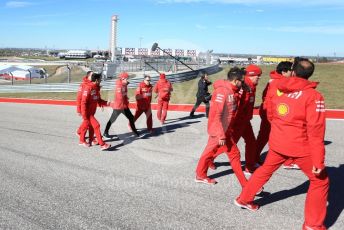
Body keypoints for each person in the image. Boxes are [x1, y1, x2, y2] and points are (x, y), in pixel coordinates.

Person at [234, 57, 329, 230]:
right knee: (320, 181)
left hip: (278, 143)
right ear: (310, 74)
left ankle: (244, 198)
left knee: (264, 170)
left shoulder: (279, 88)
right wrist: (318, 160)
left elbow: (270, 113)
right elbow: (316, 131)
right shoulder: (313, 96)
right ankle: (313, 224)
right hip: (301, 147)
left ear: (293, 72)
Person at [195, 67, 247, 187]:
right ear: (235, 80)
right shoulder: (222, 92)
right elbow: (216, 115)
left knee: (232, 155)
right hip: (219, 131)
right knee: (210, 153)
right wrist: (220, 135)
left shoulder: (232, 91)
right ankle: (200, 175)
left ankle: (246, 184)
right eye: (242, 81)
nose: (243, 83)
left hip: (226, 130)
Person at [255, 61, 299, 169]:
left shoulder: (275, 80)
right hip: (271, 114)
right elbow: (275, 100)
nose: (293, 73)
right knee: (269, 137)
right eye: (291, 71)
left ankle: (253, 158)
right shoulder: (278, 82)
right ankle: (253, 159)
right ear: (284, 72)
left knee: (264, 137)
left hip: (270, 113)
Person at [233, 64, 262, 175]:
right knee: (229, 145)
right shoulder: (244, 86)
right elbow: (238, 105)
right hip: (239, 121)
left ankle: (249, 166)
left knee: (251, 142)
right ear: (250, 75)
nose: (259, 78)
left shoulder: (251, 86)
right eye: (257, 76)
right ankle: (209, 159)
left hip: (245, 121)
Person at [79, 73, 111, 150]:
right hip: (87, 113)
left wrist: (106, 103)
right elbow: (83, 102)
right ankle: (102, 144)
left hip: (92, 112)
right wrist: (84, 114)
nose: (101, 81)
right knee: (96, 125)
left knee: (89, 127)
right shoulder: (88, 88)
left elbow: (98, 100)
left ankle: (86, 140)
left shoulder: (96, 88)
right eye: (100, 79)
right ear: (96, 80)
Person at [103, 72, 140, 138]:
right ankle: (105, 132)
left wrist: (126, 98)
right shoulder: (119, 86)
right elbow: (120, 97)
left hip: (124, 106)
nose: (127, 80)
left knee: (131, 118)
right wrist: (127, 99)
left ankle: (134, 131)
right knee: (112, 120)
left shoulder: (124, 85)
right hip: (118, 107)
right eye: (126, 79)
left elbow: (124, 94)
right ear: (123, 79)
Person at [76, 70, 93, 137]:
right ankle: (83, 136)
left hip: (90, 108)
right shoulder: (83, 85)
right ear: (88, 76)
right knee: (88, 122)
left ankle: (79, 132)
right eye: (92, 75)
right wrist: (78, 110)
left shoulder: (93, 84)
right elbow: (79, 98)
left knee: (87, 122)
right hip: (84, 108)